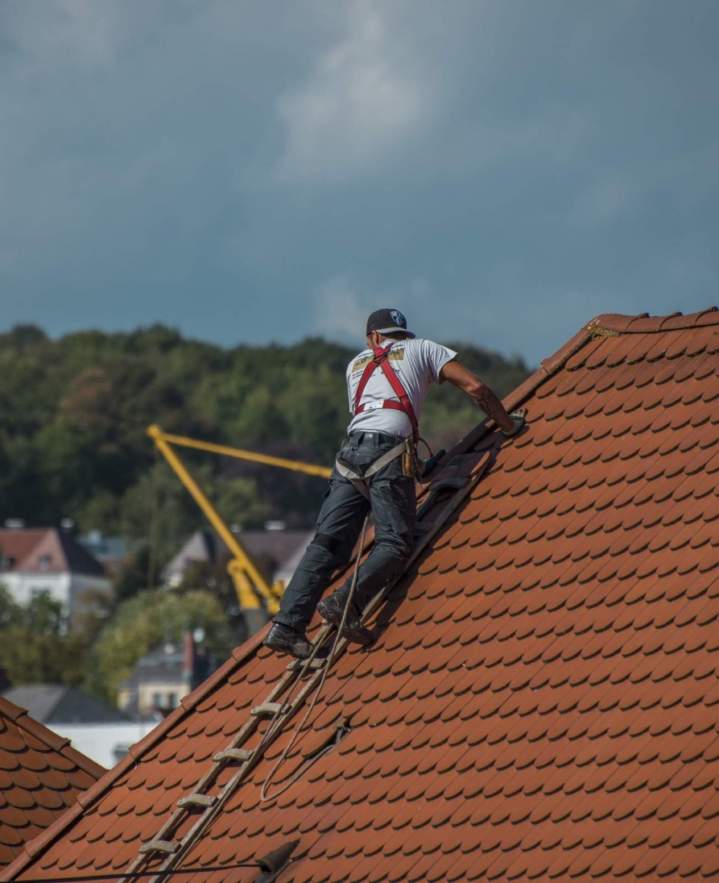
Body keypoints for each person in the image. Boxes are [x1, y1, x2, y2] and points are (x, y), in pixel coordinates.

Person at [264, 308, 524, 659]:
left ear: (372, 338)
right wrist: (507, 425)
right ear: (400, 335)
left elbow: (374, 415)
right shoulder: (423, 348)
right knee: (396, 543)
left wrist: (413, 468)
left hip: (349, 457)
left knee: (325, 544)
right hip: (387, 452)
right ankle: (345, 602)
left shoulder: (355, 365)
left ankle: (286, 626)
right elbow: (475, 387)